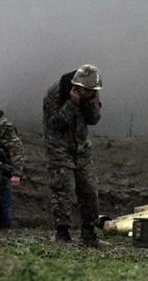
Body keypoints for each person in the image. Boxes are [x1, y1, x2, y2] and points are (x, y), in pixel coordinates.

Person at [43, 64, 107, 247]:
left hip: (81, 147)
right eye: (87, 90)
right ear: (77, 86)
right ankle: (62, 234)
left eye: (92, 91)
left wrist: (89, 102)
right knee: (64, 189)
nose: (90, 92)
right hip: (59, 147)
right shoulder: (56, 93)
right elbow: (55, 123)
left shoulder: (92, 92)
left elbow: (94, 119)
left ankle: (89, 234)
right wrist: (71, 104)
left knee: (89, 188)